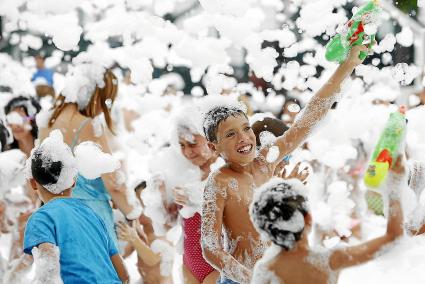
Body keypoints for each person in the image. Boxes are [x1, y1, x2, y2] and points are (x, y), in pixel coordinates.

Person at [200, 45, 367, 284]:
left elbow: (307, 119)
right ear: (213, 146)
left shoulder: (266, 162)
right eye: (230, 135)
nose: (244, 138)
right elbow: (210, 247)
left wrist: (347, 65)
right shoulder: (219, 182)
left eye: (246, 128)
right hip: (240, 279)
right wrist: (251, 278)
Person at [250, 156, 405, 284]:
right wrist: (394, 187)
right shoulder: (330, 260)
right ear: (308, 217)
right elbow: (393, 237)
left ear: (263, 228)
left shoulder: (265, 271)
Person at [39, 64, 141, 246]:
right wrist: (133, 213)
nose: (103, 109)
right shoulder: (88, 125)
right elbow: (113, 183)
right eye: (105, 100)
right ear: (94, 95)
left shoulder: (47, 122)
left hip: (55, 215)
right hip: (91, 215)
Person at [23, 130, 128, 283]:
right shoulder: (92, 215)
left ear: (33, 182)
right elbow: (123, 274)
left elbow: (48, 271)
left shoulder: (42, 218)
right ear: (73, 181)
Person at [171, 114, 220, 284]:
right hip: (189, 262)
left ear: (211, 140)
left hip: (218, 264)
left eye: (193, 144)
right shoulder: (186, 175)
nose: (188, 152)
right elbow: (167, 224)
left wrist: (197, 199)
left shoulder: (224, 172)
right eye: (182, 145)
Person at [118, 181, 173, 284]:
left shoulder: (163, 230)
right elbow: (124, 254)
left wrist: (134, 239)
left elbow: (153, 259)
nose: (139, 209)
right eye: (136, 203)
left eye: (144, 204)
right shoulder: (141, 234)